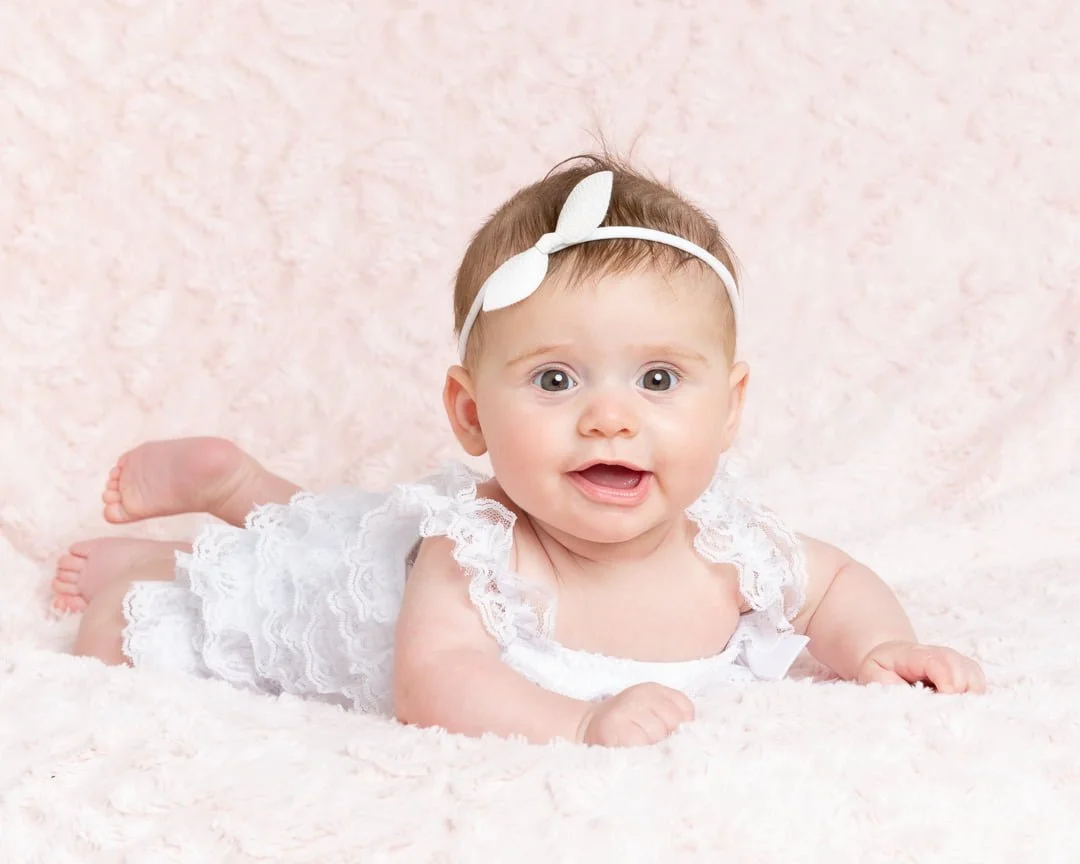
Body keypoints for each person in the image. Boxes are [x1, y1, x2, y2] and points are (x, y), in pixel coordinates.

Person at [52, 156, 986, 748]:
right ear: (469, 416)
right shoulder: (481, 553)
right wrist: (577, 723)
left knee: (337, 530)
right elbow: (433, 682)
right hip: (343, 589)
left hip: (367, 548)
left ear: (730, 406)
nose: (610, 421)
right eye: (555, 381)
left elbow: (833, 586)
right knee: (167, 618)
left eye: (658, 381)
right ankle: (193, 533)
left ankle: (234, 492)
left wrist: (881, 646)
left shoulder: (729, 549)